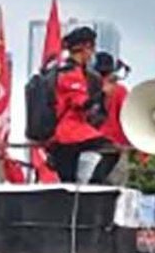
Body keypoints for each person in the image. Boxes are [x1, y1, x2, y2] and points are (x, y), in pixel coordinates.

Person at [47, 26, 114, 183]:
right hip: (70, 132)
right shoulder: (70, 74)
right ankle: (93, 186)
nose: (92, 53)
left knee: (68, 185)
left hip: (67, 135)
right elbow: (81, 104)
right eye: (91, 48)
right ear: (85, 48)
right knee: (109, 149)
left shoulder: (72, 71)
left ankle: (88, 190)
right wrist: (103, 93)